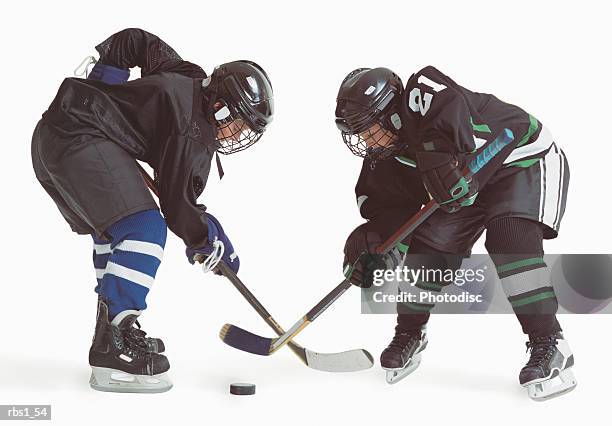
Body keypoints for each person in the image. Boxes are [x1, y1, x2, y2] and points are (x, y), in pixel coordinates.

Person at [31, 28, 274, 393]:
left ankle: (114, 329)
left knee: (114, 231)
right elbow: (177, 208)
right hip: (78, 139)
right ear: (220, 104)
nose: (237, 132)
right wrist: (205, 238)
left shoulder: (188, 75)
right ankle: (114, 340)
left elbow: (134, 41)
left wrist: (106, 82)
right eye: (237, 120)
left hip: (54, 135)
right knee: (144, 228)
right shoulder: (192, 131)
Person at [335, 66, 575, 400]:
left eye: (368, 128)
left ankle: (550, 344)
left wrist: (437, 151)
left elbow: (445, 101)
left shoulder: (424, 94)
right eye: (357, 132)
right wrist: (371, 243)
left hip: (520, 159)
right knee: (427, 251)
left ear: (393, 116)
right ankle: (409, 334)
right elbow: (387, 214)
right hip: (463, 183)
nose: (365, 140)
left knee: (510, 241)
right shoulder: (383, 158)